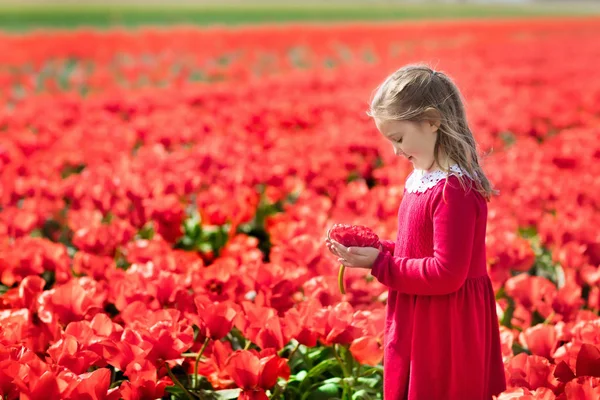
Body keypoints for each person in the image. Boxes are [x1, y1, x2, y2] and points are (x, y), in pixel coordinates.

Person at [325, 64, 507, 399]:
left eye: (398, 138)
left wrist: (381, 264)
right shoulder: (423, 180)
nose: (394, 151)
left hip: (445, 323)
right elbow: (420, 251)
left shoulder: (453, 189)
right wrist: (380, 249)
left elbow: (447, 273)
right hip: (422, 310)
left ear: (432, 121)